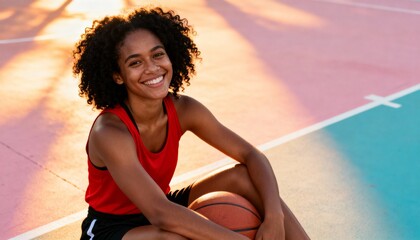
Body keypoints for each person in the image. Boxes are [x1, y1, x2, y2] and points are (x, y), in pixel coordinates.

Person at [73, 7, 309, 240]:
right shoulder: (110, 132)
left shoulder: (184, 109)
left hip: (161, 205)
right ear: (117, 75)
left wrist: (275, 217)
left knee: (244, 178)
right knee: (174, 238)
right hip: (110, 228)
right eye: (135, 63)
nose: (152, 68)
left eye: (157, 55)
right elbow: (160, 213)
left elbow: (250, 154)